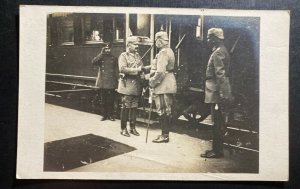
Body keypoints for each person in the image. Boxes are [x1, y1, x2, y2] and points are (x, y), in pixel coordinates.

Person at [200, 28, 233, 158]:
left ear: (215, 38)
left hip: (216, 91)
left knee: (217, 123)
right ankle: (216, 149)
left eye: (209, 37)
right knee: (217, 122)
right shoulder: (221, 51)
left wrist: (223, 94)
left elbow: (220, 75)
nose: (208, 40)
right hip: (216, 90)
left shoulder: (218, 53)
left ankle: (217, 151)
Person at [145, 31, 177, 143]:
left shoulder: (163, 52)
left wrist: (151, 82)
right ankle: (165, 134)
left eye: (156, 40)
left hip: (163, 85)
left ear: (159, 40)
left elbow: (160, 72)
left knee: (163, 110)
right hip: (167, 83)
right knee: (165, 110)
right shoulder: (169, 50)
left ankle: (164, 135)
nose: (155, 43)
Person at [117, 36, 144, 137]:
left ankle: (132, 128)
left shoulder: (138, 56)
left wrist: (143, 77)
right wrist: (137, 70)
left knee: (134, 107)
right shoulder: (123, 56)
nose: (137, 46)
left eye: (137, 44)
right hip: (127, 86)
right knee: (126, 107)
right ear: (128, 45)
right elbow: (122, 69)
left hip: (136, 86)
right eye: (134, 44)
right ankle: (123, 129)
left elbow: (141, 67)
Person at [92, 43, 118, 121]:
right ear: (103, 49)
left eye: (108, 49)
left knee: (111, 100)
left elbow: (116, 69)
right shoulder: (101, 57)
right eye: (106, 49)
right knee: (103, 100)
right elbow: (93, 61)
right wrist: (101, 53)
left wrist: (117, 80)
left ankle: (111, 115)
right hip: (103, 81)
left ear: (110, 49)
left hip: (111, 81)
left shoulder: (114, 58)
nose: (107, 50)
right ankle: (104, 115)